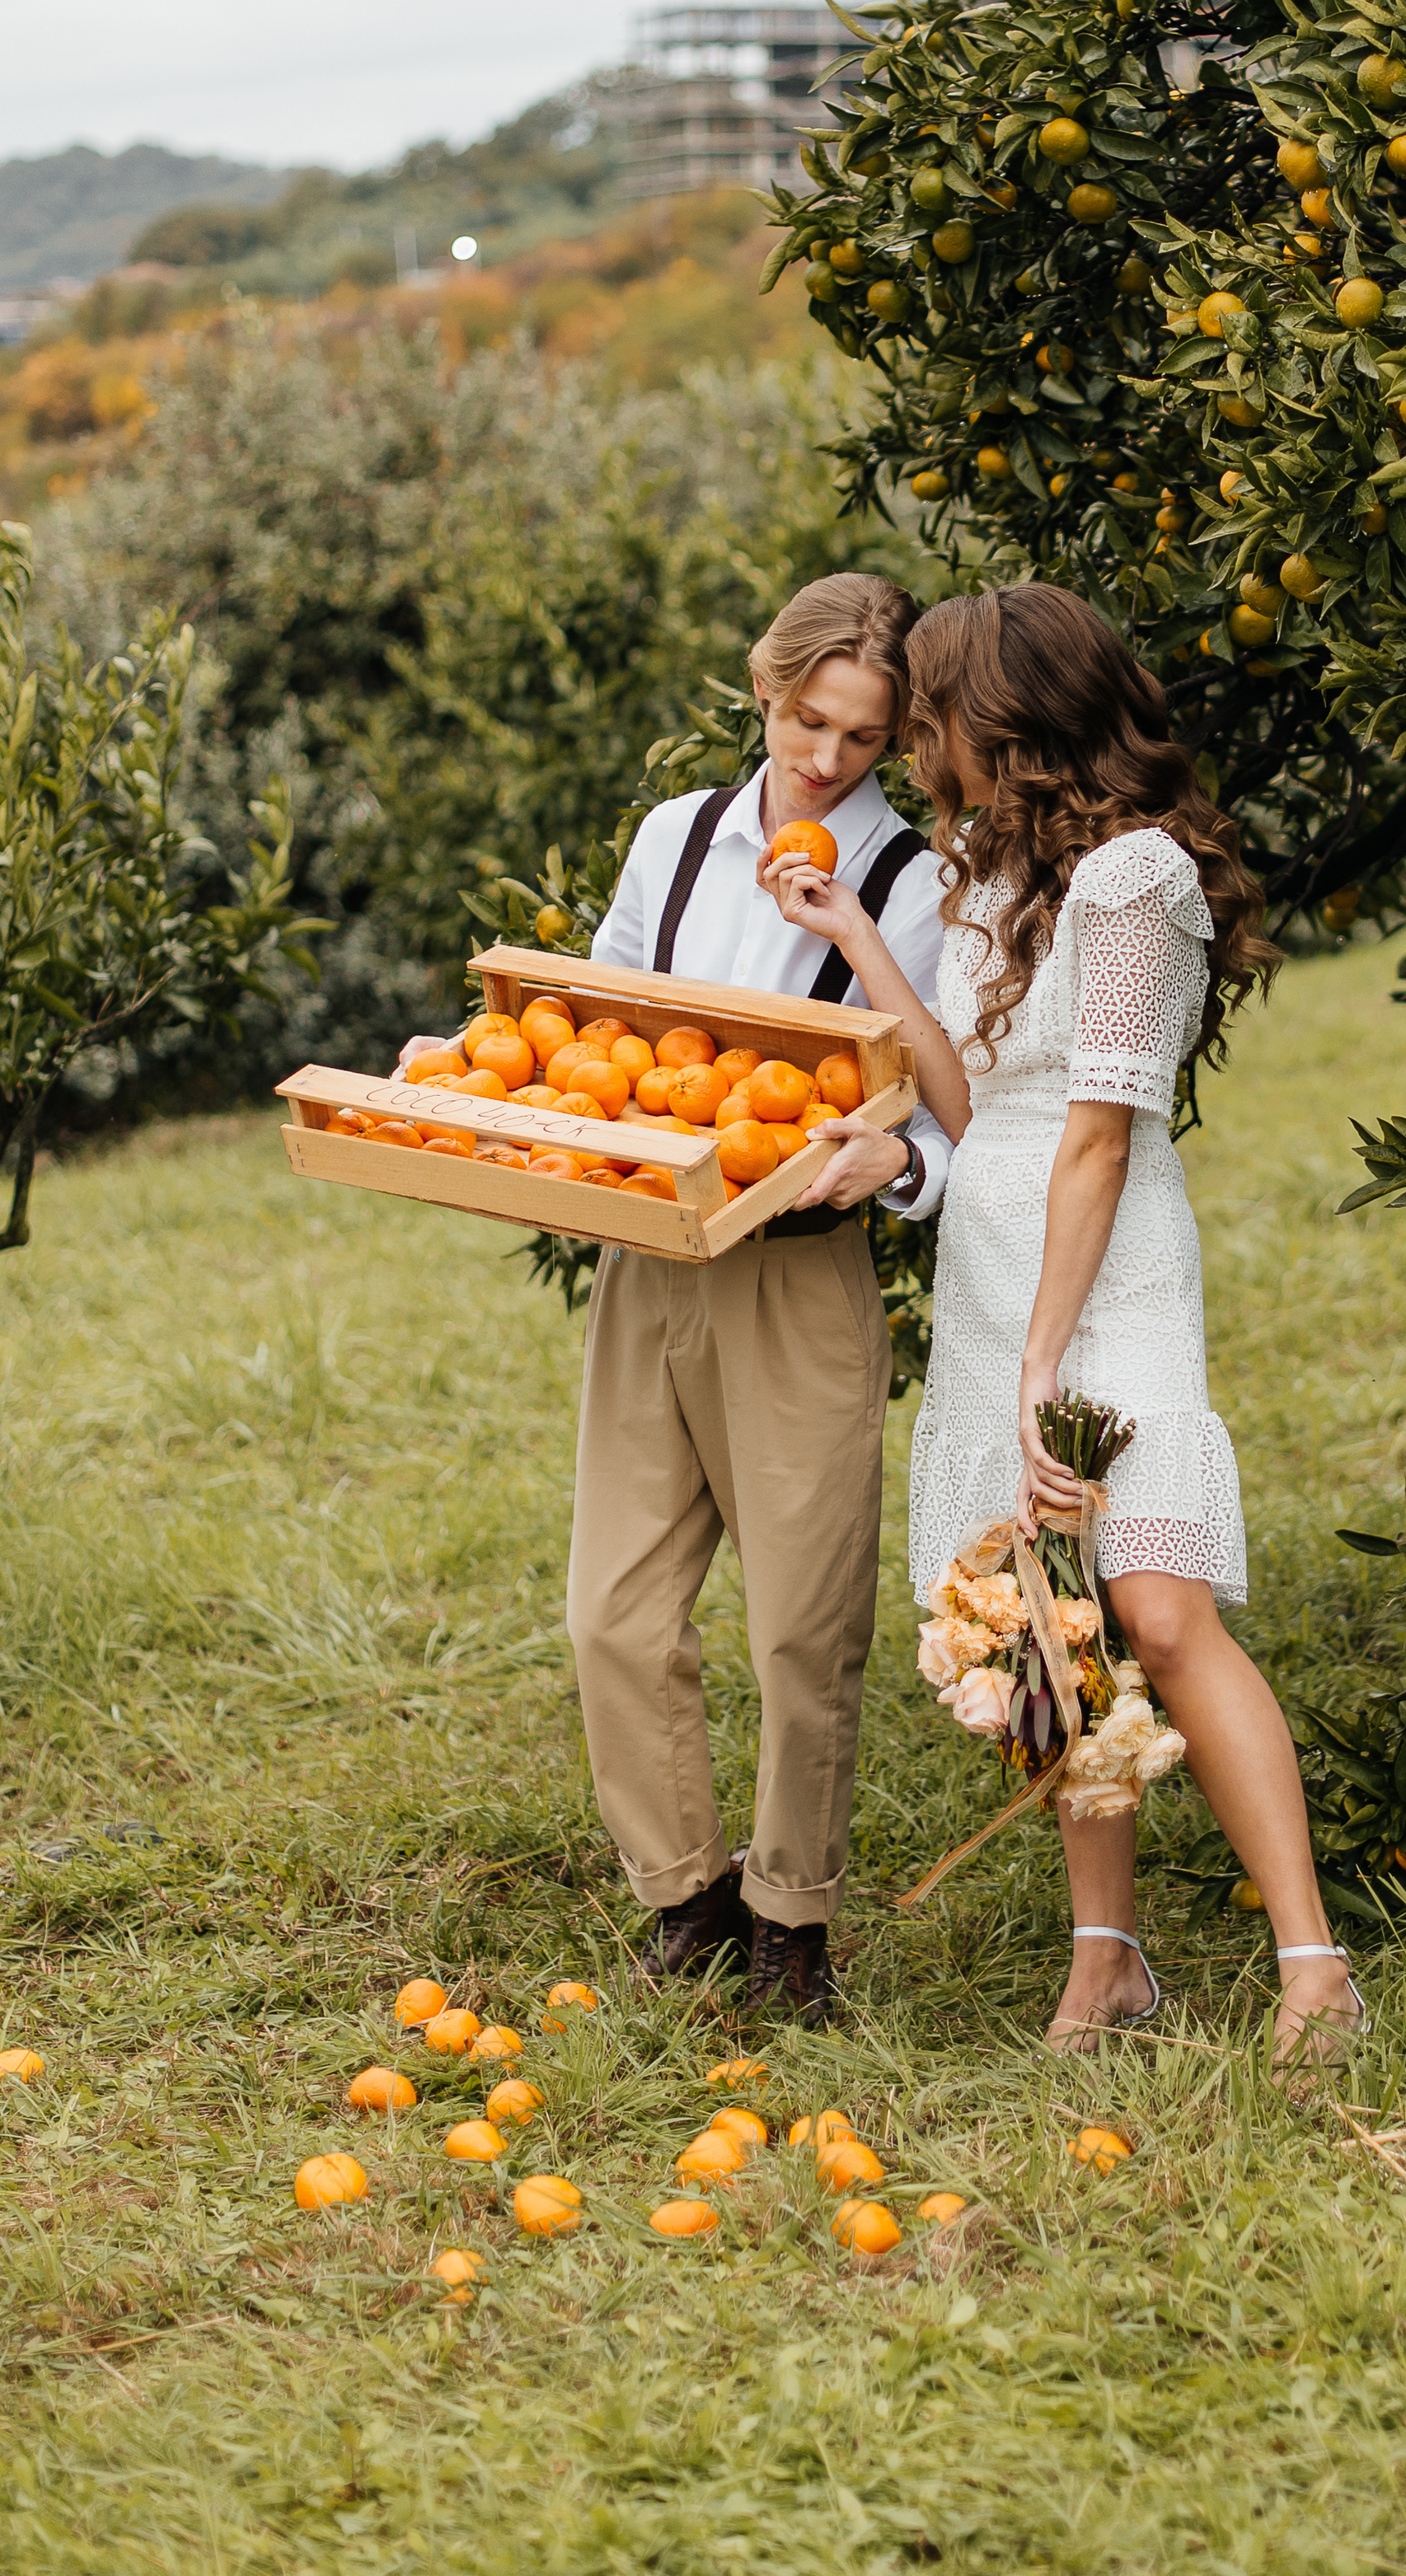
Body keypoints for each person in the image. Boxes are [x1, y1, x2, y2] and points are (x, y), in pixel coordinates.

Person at [760, 583, 1363, 2065]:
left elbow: (1099, 1133)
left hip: (1110, 1273)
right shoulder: (989, 875)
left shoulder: (1141, 877)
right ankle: (1108, 1960)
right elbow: (980, 1106)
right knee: (1058, 1628)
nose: (916, 745)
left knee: (1157, 1603)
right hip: (991, 1261)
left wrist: (1047, 1365)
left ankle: (1313, 1963)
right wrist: (862, 939)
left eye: (938, 714)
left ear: (1010, 722)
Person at [568, 574, 951, 2027]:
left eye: (862, 737)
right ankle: (687, 1896)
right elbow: (593, 1016)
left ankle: (793, 1920)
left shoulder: (915, 882)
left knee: (801, 1624)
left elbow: (949, 1118)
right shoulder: (676, 839)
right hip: (648, 1254)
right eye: (808, 720)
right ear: (764, 692)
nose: (827, 758)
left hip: (795, 1278)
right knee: (612, 1608)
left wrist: (888, 1167)